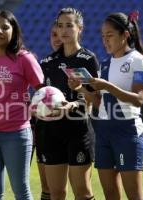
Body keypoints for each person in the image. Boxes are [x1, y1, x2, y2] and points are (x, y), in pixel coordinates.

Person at [71, 11, 143, 200]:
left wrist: (107, 85)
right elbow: (98, 102)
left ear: (125, 35)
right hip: (103, 132)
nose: (105, 41)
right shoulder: (105, 64)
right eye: (103, 36)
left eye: (110, 36)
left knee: (134, 196)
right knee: (110, 196)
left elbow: (139, 99)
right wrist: (80, 88)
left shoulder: (139, 61)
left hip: (127, 131)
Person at [0, 10, 44, 200]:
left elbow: (43, 91)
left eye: (5, 27)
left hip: (17, 134)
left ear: (14, 31)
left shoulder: (25, 58)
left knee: (21, 191)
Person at [36, 7, 99, 200]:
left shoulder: (87, 60)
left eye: (69, 25)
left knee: (82, 192)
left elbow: (95, 101)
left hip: (78, 131)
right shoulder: (47, 62)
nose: (64, 30)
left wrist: (78, 93)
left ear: (80, 28)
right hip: (51, 132)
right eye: (60, 25)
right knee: (57, 193)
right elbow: (40, 97)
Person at [35, 21, 62, 200]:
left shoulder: (82, 61)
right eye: (53, 35)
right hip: (45, 130)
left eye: (61, 33)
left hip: (74, 130)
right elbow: (37, 97)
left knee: (72, 187)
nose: (58, 38)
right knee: (47, 188)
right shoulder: (43, 64)